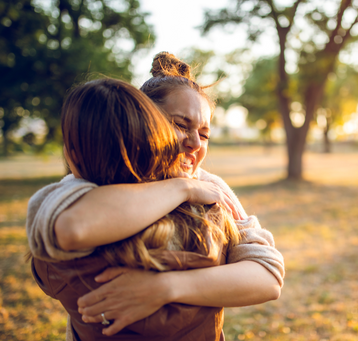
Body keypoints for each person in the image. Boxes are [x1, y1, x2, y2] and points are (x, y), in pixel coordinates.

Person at [27, 53, 284, 338]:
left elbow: (268, 278)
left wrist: (164, 288)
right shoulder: (88, 187)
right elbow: (73, 227)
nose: (195, 143)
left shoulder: (211, 187)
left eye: (205, 133)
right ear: (144, 121)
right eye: (180, 124)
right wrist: (182, 189)